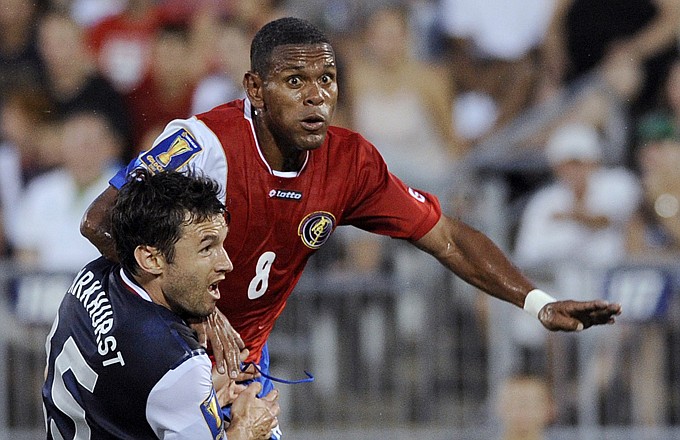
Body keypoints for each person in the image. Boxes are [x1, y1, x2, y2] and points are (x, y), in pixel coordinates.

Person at [81, 17, 622, 436]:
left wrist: (537, 302)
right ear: (255, 87)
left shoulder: (351, 164)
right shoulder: (203, 144)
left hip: (241, 363)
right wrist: (200, 313)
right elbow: (100, 221)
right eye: (294, 81)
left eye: (327, 79)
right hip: (151, 347)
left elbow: (447, 237)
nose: (316, 96)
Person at [43, 169, 280, 439]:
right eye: (206, 248)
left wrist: (196, 400)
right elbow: (157, 369)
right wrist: (245, 430)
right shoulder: (178, 363)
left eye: (222, 245)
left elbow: (121, 384)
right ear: (151, 259)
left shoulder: (92, 276)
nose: (226, 263)